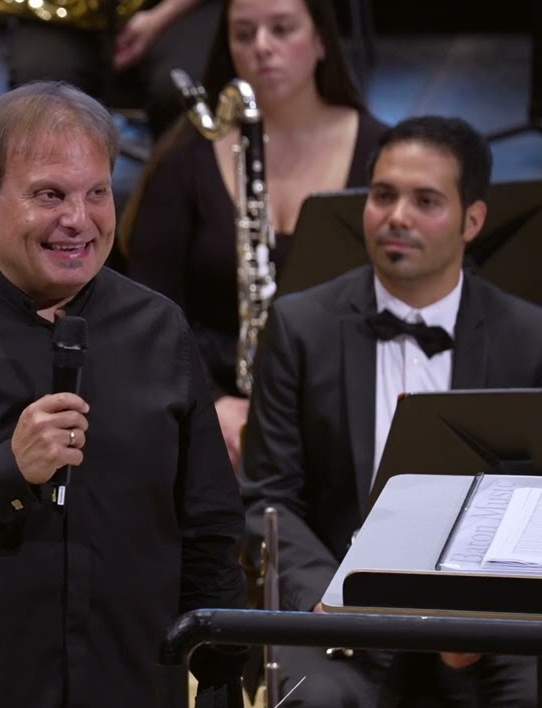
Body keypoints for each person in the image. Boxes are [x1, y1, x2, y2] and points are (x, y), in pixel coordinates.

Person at [0, 80, 247, 708]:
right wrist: (6, 471)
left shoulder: (159, 328)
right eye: (49, 195)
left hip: (135, 692)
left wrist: (223, 668)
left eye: (96, 193)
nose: (78, 220)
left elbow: (209, 523)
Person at [239, 115, 542, 708]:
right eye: (383, 195)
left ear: (473, 220)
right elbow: (267, 498)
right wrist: (337, 596)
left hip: (483, 617)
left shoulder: (535, 339)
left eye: (425, 200)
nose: (396, 216)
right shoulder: (301, 327)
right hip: (340, 607)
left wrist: (478, 616)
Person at [126, 0, 388, 468]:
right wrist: (209, 402)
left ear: (322, 39)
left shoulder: (382, 156)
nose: (262, 48)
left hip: (346, 408)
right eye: (244, 35)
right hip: (218, 413)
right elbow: (148, 307)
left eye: (282, 29)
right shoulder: (186, 159)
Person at [9, 0, 222, 139]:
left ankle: (182, 196)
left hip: (175, 9)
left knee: (182, 91)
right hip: (63, 14)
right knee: (42, 93)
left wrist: (159, 19)